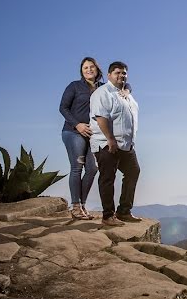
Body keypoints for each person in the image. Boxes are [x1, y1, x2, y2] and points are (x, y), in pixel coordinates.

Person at [90, 61, 142, 226]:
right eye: (117, 72)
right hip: (108, 144)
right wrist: (110, 139)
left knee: (133, 171)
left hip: (126, 145)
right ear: (109, 75)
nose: (121, 75)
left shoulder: (125, 93)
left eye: (124, 73)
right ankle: (108, 216)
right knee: (107, 178)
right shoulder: (102, 93)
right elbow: (101, 117)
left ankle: (124, 211)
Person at [58, 57, 104, 220]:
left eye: (92, 67)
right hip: (73, 132)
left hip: (92, 135)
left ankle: (82, 205)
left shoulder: (103, 88)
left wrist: (126, 90)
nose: (89, 70)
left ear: (97, 69)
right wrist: (77, 124)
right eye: (85, 68)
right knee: (77, 167)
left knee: (92, 169)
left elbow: (124, 84)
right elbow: (63, 108)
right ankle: (76, 207)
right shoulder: (74, 86)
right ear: (81, 71)